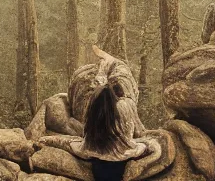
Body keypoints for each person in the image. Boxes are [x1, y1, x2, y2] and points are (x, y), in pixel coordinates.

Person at [38, 46, 149, 181]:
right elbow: (139, 145)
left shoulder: (92, 137)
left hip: (102, 164)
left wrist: (46, 140)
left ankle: (106, 65)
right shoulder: (123, 109)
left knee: (106, 91)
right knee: (119, 83)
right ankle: (108, 64)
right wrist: (146, 145)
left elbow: (71, 144)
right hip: (113, 163)